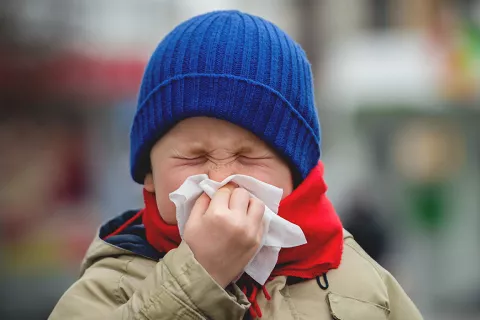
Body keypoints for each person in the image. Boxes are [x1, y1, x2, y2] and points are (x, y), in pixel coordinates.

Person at [49, 10, 423, 320]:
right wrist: (197, 276)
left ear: (298, 174)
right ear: (149, 174)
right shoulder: (109, 287)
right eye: (194, 157)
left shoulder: (364, 288)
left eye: (248, 157)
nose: (221, 178)